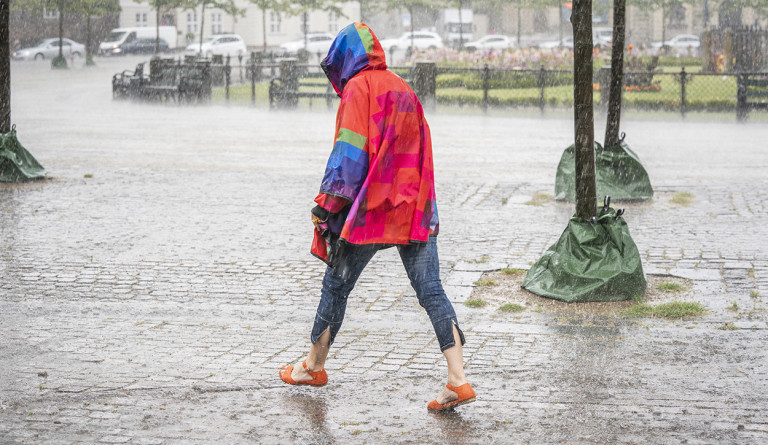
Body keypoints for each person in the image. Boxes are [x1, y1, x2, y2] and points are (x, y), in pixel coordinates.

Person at [279, 22, 475, 412]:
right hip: (414, 208)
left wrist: (328, 204)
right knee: (431, 290)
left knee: (337, 285)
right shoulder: (403, 88)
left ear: (345, 58)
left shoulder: (357, 90)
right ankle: (458, 379)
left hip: (372, 212)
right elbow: (420, 150)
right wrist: (425, 206)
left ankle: (313, 367)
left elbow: (349, 155)